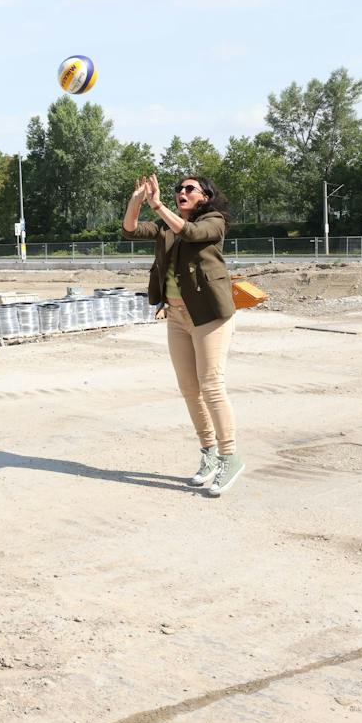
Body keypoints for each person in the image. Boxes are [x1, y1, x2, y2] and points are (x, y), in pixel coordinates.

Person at [121, 174, 242, 497]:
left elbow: (190, 232)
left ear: (205, 196)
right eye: (178, 189)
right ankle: (209, 455)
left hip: (208, 315)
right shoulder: (165, 225)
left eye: (189, 189)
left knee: (211, 385)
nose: (181, 193)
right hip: (175, 316)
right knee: (190, 389)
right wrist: (138, 198)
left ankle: (230, 456)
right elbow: (131, 229)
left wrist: (158, 205)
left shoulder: (213, 221)